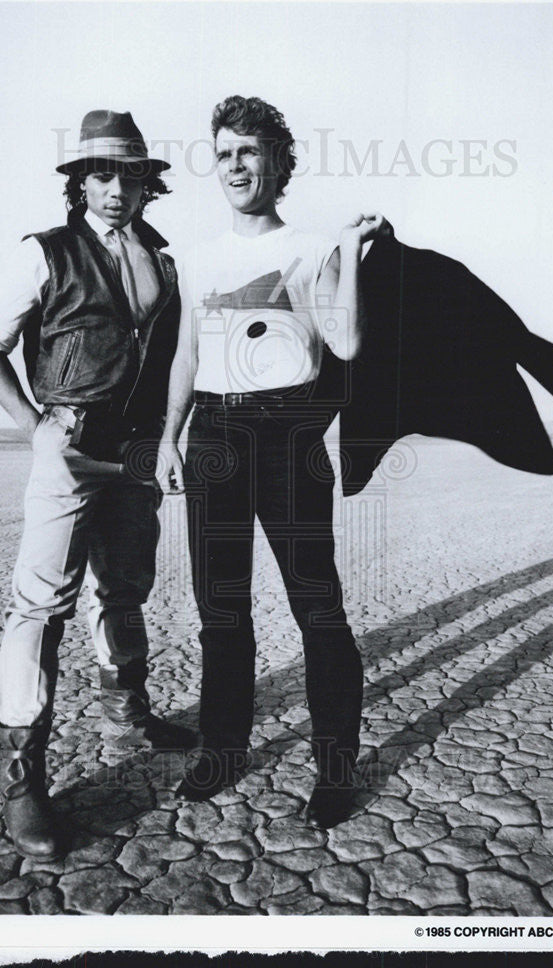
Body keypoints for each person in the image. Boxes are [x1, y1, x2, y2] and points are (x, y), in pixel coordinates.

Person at [157, 95, 389, 829]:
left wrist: (349, 253)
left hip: (289, 435)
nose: (234, 165)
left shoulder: (313, 250)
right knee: (220, 609)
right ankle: (222, 751)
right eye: (223, 152)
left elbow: (347, 345)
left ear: (278, 163)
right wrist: (169, 435)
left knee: (317, 607)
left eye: (248, 151)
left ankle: (336, 768)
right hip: (214, 438)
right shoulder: (196, 259)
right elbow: (188, 355)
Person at [0, 109, 196, 860]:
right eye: (102, 175)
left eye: (131, 177)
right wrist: (33, 426)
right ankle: (23, 777)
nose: (116, 190)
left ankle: (126, 712)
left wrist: (167, 441)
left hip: (136, 454)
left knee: (125, 586)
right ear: (80, 183)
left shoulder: (164, 261)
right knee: (40, 602)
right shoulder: (45, 252)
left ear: (146, 187)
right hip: (67, 446)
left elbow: (173, 362)